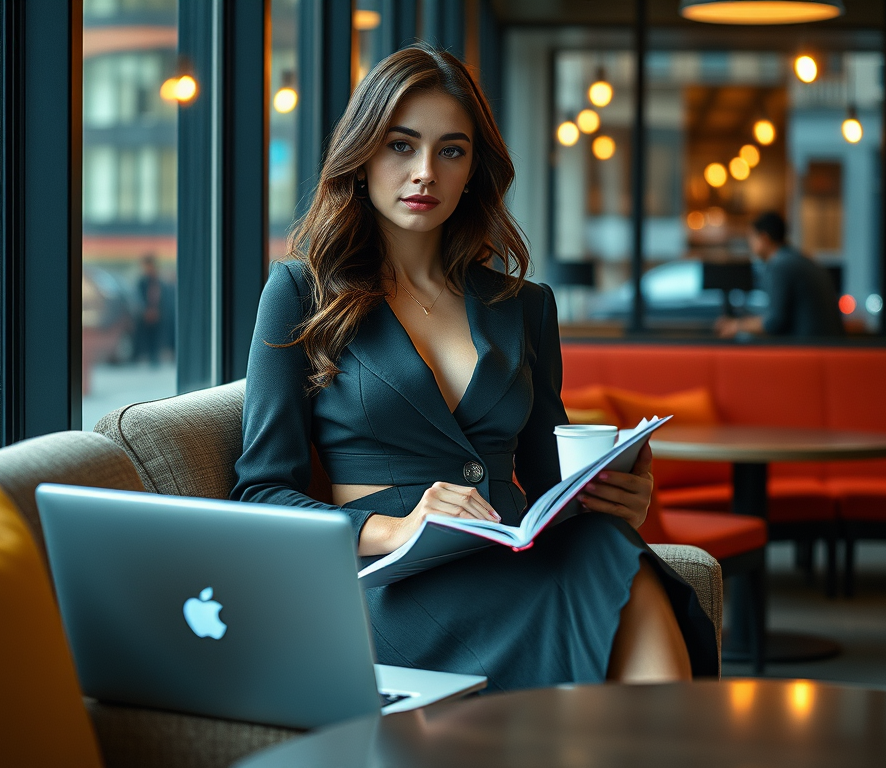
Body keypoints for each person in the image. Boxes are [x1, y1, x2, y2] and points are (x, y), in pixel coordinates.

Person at [231, 45, 717, 690]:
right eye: (401, 146)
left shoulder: (524, 306)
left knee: (612, 550)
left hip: (514, 553)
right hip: (395, 581)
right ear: (363, 154)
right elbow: (260, 495)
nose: (425, 172)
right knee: (617, 582)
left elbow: (552, 483)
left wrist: (614, 496)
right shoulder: (300, 292)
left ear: (472, 170)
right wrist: (397, 528)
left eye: (450, 151)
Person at [716, 212, 844, 339]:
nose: (750, 244)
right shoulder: (797, 259)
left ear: (764, 238)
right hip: (827, 346)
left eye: (751, 237)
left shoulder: (780, 265)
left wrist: (737, 325)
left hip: (810, 349)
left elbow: (775, 323)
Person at [136, 254, 164, 366]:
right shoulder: (142, 282)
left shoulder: (158, 281)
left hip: (158, 313)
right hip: (146, 314)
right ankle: (144, 355)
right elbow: (139, 298)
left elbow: (163, 298)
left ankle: (155, 356)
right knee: (145, 336)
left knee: (156, 336)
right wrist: (145, 310)